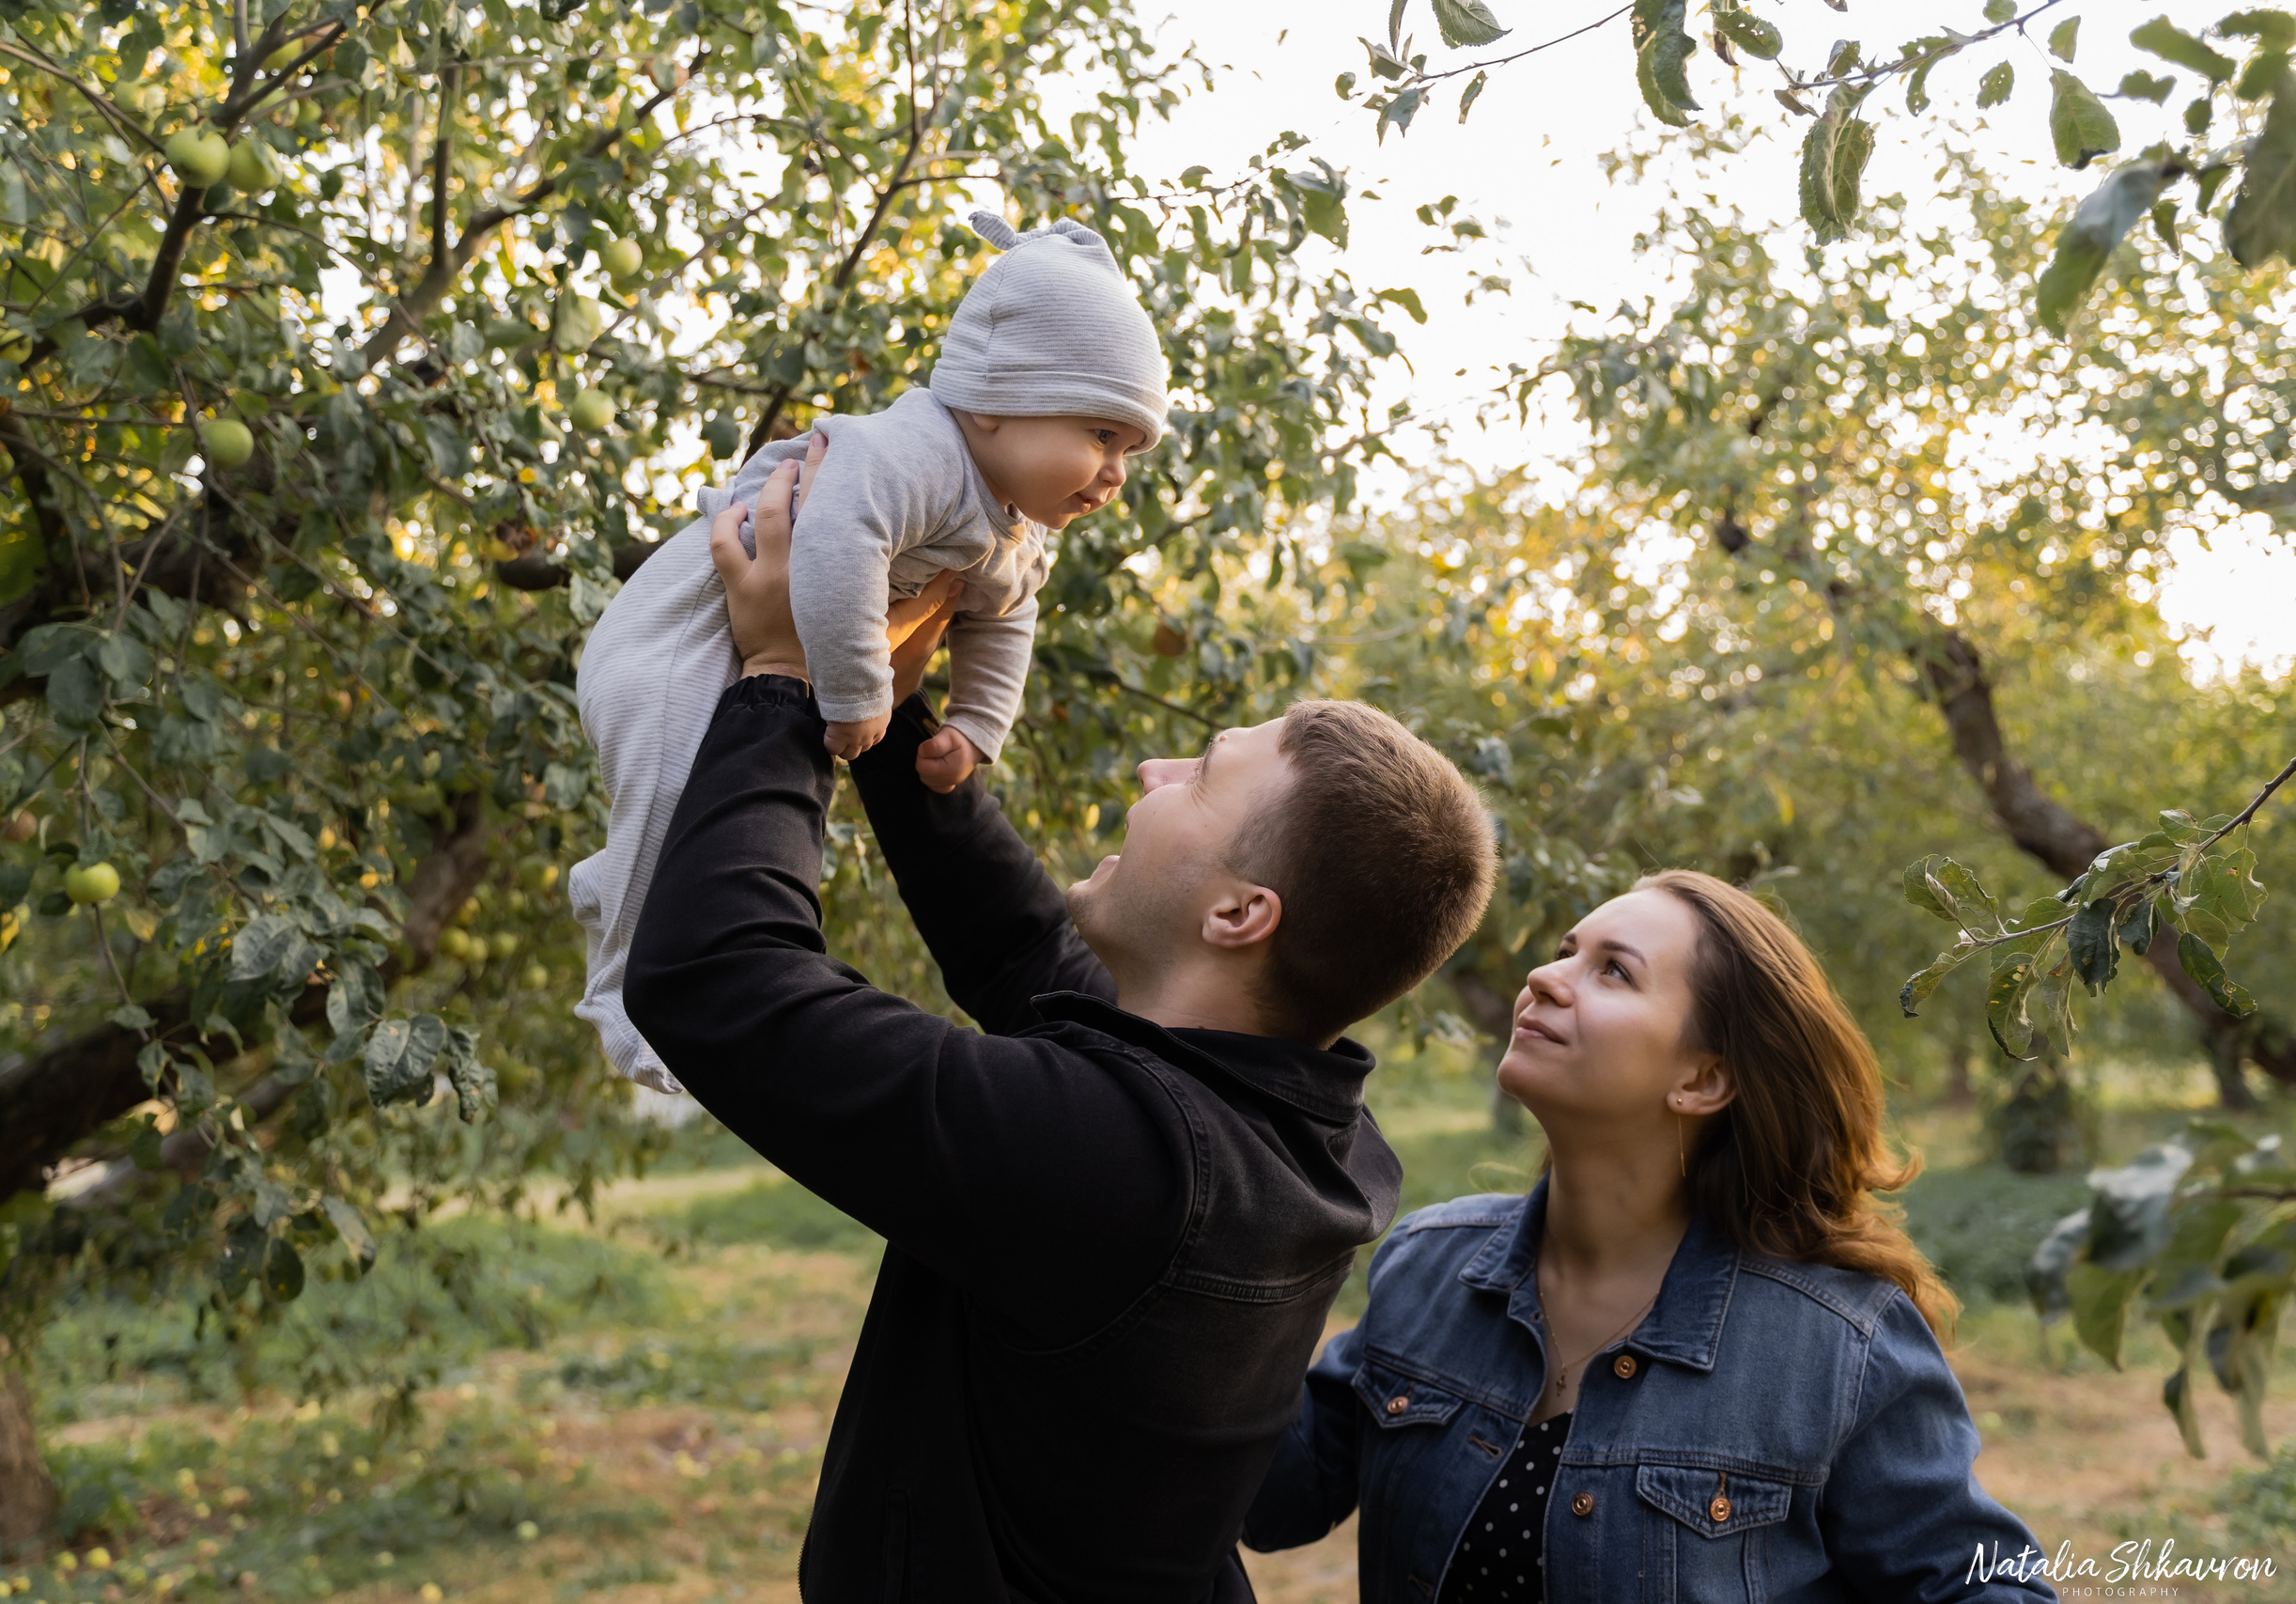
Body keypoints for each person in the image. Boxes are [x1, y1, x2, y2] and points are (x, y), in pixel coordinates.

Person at [620, 453, 1497, 1600]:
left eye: (1199, 777)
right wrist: (872, 696)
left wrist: (782, 678)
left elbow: (719, 978)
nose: (1152, 764)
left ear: (1239, 914)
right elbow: (1024, 955)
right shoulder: (1275, 1125)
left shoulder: (1127, 1165)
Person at [1243, 871, 2061, 1603]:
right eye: (1567, 951)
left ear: (1702, 1079)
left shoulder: (1838, 1345)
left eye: (1613, 970)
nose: (1542, 978)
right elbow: (1275, 1497)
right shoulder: (1428, 1262)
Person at [572, 210, 1168, 1093]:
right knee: (666, 800)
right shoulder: (917, 450)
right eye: (1102, 434)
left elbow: (1007, 617)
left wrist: (973, 724)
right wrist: (854, 695)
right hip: (681, 633)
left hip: (769, 648)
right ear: (997, 401)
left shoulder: (1014, 531)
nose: (1116, 472)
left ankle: (637, 926)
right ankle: (621, 990)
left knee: (716, 822)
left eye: (1132, 450)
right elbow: (835, 543)